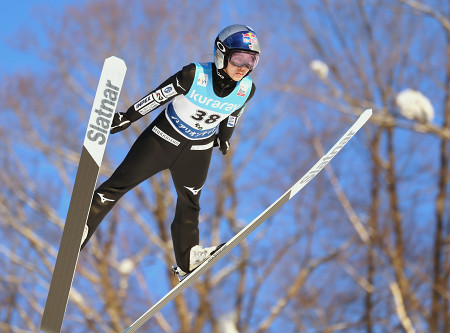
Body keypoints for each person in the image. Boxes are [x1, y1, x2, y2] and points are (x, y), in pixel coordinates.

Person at [80, 24, 260, 276]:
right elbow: (157, 97)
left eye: (251, 60)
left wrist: (225, 138)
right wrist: (128, 117)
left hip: (198, 149)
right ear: (222, 53)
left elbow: (233, 115)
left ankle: (188, 259)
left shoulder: (246, 89)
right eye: (239, 57)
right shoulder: (194, 75)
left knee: (191, 202)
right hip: (162, 139)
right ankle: (82, 226)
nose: (244, 66)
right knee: (119, 183)